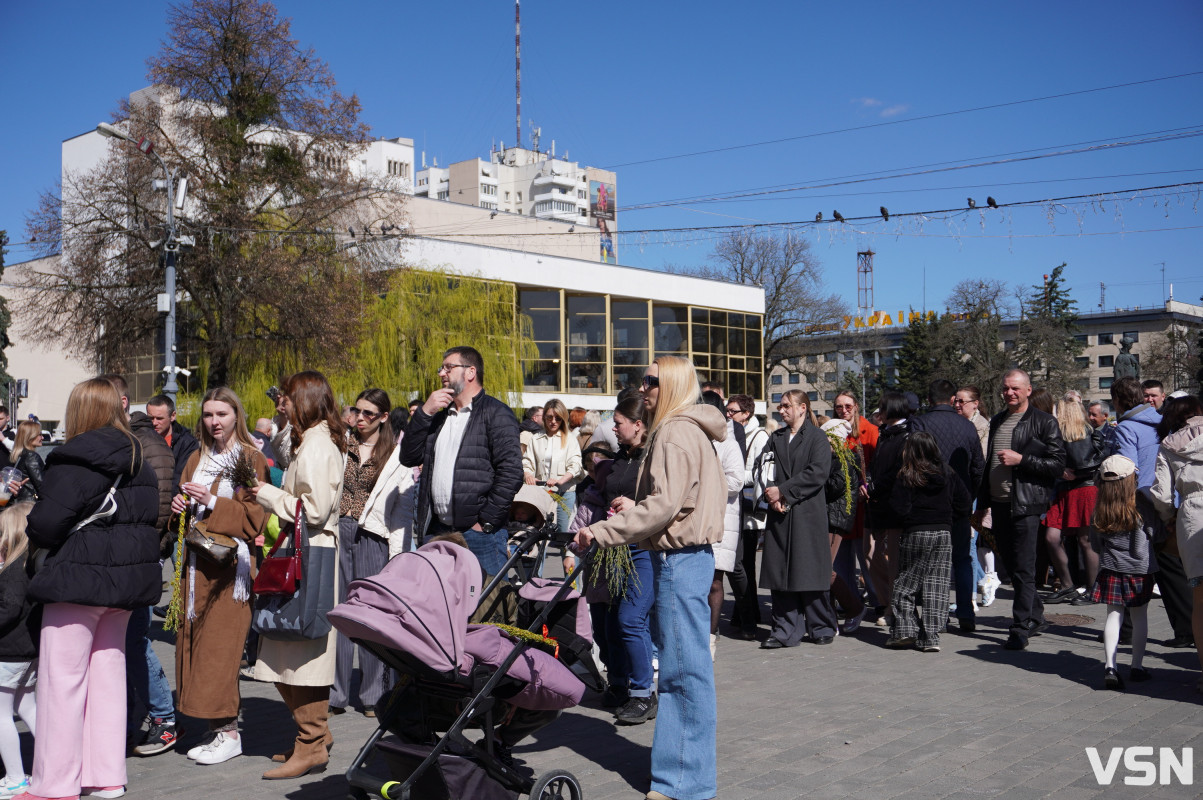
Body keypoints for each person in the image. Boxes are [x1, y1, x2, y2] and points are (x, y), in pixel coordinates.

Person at [573, 356, 725, 800]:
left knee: (682, 674)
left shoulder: (676, 431)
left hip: (680, 558)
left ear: (672, 384)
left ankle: (684, 783)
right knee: (684, 670)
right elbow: (671, 501)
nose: (643, 387)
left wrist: (603, 531)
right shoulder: (685, 428)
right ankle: (685, 774)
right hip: (685, 556)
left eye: (651, 380)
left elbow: (664, 506)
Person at [23, 378, 161, 800]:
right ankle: (106, 777)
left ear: (80, 411)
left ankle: (54, 785)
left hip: (78, 579)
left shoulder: (76, 458)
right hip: (125, 585)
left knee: (61, 682)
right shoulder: (141, 460)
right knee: (108, 677)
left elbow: (46, 524)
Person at [249, 371, 346, 780]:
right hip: (305, 551)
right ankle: (314, 738)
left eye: (286, 398)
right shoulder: (311, 441)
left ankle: (312, 743)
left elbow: (315, 510)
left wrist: (265, 493)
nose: (280, 403)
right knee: (284, 650)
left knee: (303, 653)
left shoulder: (318, 446)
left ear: (304, 400)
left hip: (312, 554)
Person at [169, 387, 272, 765]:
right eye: (209, 414)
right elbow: (181, 516)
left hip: (231, 573)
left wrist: (210, 501)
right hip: (197, 568)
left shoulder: (250, 457)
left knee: (221, 653)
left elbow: (254, 518)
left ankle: (230, 734)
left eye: (222, 414)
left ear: (236, 416)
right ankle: (216, 730)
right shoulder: (197, 456)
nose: (214, 422)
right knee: (197, 649)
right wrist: (179, 506)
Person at [401, 346, 523, 574]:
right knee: (439, 594)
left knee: (487, 595)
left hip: (479, 535)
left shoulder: (496, 413)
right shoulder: (439, 417)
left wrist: (485, 522)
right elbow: (408, 457)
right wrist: (424, 413)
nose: (441, 373)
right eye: (441, 368)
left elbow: (511, 472)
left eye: (449, 367)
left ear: (470, 372)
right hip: (438, 531)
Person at [332, 389, 415, 718]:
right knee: (339, 612)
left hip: (373, 536)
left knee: (370, 616)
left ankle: (373, 695)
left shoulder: (396, 454)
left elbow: (403, 511)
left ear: (384, 417)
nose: (361, 418)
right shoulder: (341, 444)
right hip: (338, 530)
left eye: (369, 413)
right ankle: (334, 693)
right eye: (358, 411)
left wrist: (397, 558)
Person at [974, 369, 1064, 651]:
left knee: (1023, 567)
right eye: (1005, 388)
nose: (1009, 393)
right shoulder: (998, 420)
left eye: (1015, 388)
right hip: (999, 504)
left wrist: (1021, 460)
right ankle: (1035, 616)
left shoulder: (1044, 422)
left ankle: (1019, 628)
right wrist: (983, 504)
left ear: (1028, 390)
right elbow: (989, 465)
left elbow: (1057, 465)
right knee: (1013, 567)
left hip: (1025, 505)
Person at [1110, 376, 1194, 647]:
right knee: (1170, 567)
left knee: (1131, 564)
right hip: (1169, 499)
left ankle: (1126, 630)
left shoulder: (1126, 428)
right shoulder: (1161, 422)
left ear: (1118, 401)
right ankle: (1187, 629)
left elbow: (1126, 469)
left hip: (1141, 502)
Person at [591, 396, 656, 726]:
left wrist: (636, 505)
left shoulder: (655, 456)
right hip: (614, 548)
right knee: (612, 620)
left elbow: (665, 500)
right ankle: (619, 684)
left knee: (631, 619)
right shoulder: (620, 457)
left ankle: (644, 694)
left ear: (638, 425)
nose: (613, 429)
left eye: (618, 423)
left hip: (644, 548)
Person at [759, 390, 835, 648]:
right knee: (780, 573)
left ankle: (820, 626)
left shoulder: (817, 437)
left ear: (803, 407)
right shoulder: (776, 437)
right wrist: (771, 494)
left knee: (809, 571)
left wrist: (784, 491)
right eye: (780, 406)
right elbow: (763, 467)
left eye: (786, 406)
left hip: (807, 513)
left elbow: (818, 472)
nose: (781, 410)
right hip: (779, 514)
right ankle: (784, 630)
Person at [887, 432, 972, 652]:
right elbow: (964, 503)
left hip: (916, 531)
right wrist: (948, 518)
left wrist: (908, 519)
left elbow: (898, 507)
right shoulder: (948, 472)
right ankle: (930, 637)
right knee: (937, 585)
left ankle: (905, 629)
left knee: (906, 583)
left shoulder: (907, 474)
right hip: (943, 532)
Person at [911, 380, 984, 632]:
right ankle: (966, 612)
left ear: (929, 399)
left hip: (928, 503)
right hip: (959, 501)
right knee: (962, 558)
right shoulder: (967, 426)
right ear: (953, 399)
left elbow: (912, 463)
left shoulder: (920, 424)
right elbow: (978, 467)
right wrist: (971, 496)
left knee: (933, 562)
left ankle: (937, 615)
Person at [1150, 394, 1203, 691]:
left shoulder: (1170, 444)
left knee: (1200, 600)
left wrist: (1168, 516)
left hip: (1192, 515)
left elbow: (1161, 494)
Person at [1089, 455, 1155, 691]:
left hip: (1111, 567)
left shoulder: (1100, 507)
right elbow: (1147, 539)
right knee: (1139, 617)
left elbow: (1095, 543)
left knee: (1113, 616)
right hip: (1139, 569)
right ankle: (1137, 666)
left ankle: (1110, 666)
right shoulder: (1140, 505)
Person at [1043, 392, 1104, 605]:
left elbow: (1094, 461)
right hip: (1066, 490)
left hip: (1084, 490)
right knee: (1052, 537)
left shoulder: (1087, 432)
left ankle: (1093, 590)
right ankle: (1068, 586)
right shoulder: (1078, 432)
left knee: (1085, 541)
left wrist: (1066, 471)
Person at [700, 391, 744, 660]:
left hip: (721, 518)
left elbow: (737, 481)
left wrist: (705, 483)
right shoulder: (695, 437)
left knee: (715, 581)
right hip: (697, 519)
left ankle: (710, 637)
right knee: (697, 580)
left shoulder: (728, 442)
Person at [0, 503, 38, 798]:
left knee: (1, 716)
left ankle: (15, 778)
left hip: (8, 652)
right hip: (28, 651)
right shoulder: (33, 565)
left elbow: (9, 607)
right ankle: (55, 764)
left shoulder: (14, 571)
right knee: (28, 707)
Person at [865, 392, 913, 626]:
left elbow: (898, 470)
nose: (879, 413)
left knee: (893, 560)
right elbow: (877, 466)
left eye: (882, 408)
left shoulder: (907, 435)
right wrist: (869, 482)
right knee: (871, 554)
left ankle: (894, 608)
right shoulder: (885, 433)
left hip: (895, 505)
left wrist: (874, 486)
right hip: (877, 503)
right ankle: (887, 602)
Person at [831, 392, 878, 615]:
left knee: (867, 558)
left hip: (864, 506)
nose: (844, 410)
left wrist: (869, 486)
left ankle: (878, 601)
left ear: (856, 406)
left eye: (848, 406)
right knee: (841, 559)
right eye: (839, 407)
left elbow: (878, 464)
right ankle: (849, 601)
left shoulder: (871, 431)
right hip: (841, 505)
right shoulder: (832, 433)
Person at [819, 419, 866, 632]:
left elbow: (832, 487)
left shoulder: (843, 458)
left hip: (834, 519)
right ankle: (829, 619)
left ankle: (854, 608)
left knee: (824, 571)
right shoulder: (836, 457)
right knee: (823, 571)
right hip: (829, 518)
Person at [957, 385, 1001, 606]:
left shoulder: (982, 426)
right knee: (967, 544)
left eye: (962, 401)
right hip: (962, 488)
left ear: (975, 404)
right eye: (955, 401)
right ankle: (983, 582)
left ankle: (971, 597)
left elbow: (980, 463)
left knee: (970, 542)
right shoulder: (961, 423)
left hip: (974, 490)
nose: (957, 405)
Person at [729, 393, 766, 639]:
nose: (728, 414)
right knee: (742, 564)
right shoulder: (731, 433)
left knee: (746, 564)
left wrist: (734, 474)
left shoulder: (759, 436)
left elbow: (761, 471)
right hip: (737, 508)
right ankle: (745, 613)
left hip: (750, 510)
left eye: (733, 411)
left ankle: (749, 614)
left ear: (746, 414)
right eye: (727, 410)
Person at [522, 400, 583, 534]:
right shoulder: (536, 438)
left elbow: (575, 465)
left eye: (558, 418)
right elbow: (527, 461)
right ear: (544, 417)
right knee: (540, 532)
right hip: (542, 491)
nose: (553, 421)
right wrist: (528, 475)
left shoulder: (570, 439)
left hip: (564, 492)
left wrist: (561, 480)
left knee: (563, 532)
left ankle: (564, 549)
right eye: (550, 417)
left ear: (563, 419)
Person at [146, 393, 200, 489]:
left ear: (172, 416)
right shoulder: (141, 438)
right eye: (150, 418)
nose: (154, 423)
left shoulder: (187, 443)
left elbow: (181, 478)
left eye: (159, 418)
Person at [8, 423, 44, 504]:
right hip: (31, 503)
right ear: (30, 436)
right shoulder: (31, 456)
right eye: (40, 435)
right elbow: (42, 485)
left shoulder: (19, 455)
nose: (42, 437)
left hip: (20, 503)